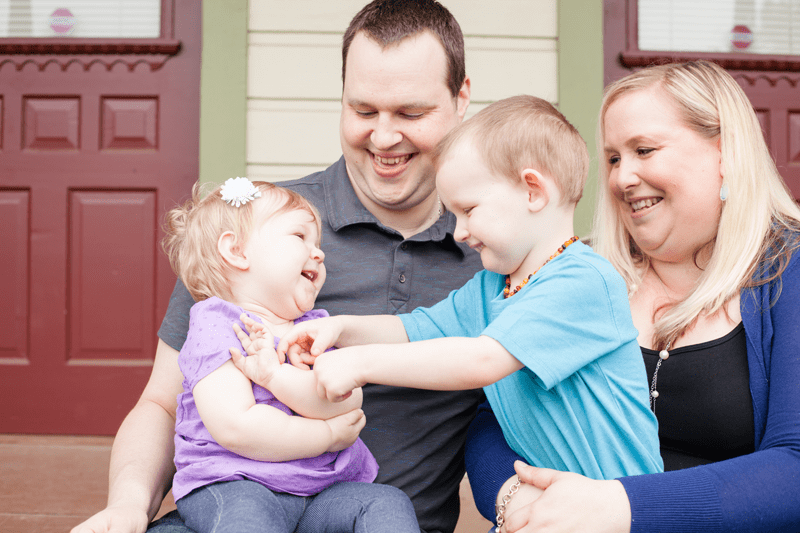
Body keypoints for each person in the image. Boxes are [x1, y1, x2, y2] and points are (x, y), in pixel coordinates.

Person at [70, 2, 482, 533]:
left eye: (410, 114)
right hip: (231, 511)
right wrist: (128, 505)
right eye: (362, 110)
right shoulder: (256, 235)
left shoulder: (488, 255)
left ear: (461, 98)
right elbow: (163, 403)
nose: (382, 138)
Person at [270, 95, 662, 529]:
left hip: (619, 516)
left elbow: (481, 360)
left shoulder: (583, 281)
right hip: (547, 514)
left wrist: (359, 363)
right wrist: (340, 328)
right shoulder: (492, 287)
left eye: (469, 210)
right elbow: (417, 330)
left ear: (533, 191)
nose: (459, 232)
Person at [465, 60, 800, 533]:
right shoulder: (580, 273)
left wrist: (618, 507)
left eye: (644, 150)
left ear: (724, 153)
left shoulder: (789, 271)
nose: (623, 178)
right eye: (615, 158)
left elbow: (794, 466)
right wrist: (514, 497)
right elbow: (495, 415)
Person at [159, 177, 418, 533]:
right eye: (300, 237)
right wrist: (326, 436)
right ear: (236, 251)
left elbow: (346, 399)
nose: (319, 252)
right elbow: (237, 427)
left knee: (385, 503)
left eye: (318, 243)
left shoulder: (312, 328)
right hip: (235, 482)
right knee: (247, 521)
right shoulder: (218, 326)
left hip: (321, 492)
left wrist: (275, 377)